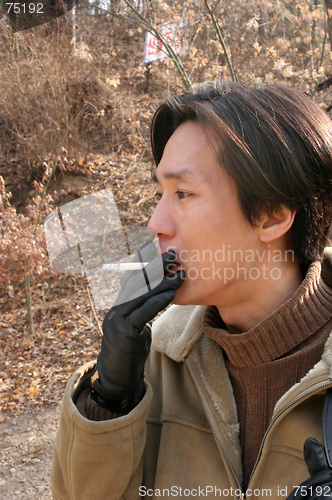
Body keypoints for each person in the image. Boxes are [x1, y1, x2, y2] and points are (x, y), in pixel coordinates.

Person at [51, 81, 332, 500]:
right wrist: (109, 401)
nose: (155, 223)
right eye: (160, 193)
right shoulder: (158, 365)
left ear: (272, 217)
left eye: (183, 193)